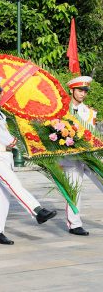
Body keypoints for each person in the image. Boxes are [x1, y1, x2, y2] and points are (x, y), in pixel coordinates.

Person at [0, 77, 57, 245]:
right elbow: (3, 137)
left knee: (3, 195)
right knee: (13, 183)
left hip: (4, 157)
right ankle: (37, 211)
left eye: (0, 92)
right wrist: (25, 143)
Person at [60, 76, 102, 236]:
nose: (83, 94)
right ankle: (74, 224)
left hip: (89, 156)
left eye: (85, 91)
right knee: (74, 191)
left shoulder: (90, 112)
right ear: (71, 90)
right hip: (70, 157)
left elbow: (93, 134)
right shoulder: (62, 110)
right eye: (80, 90)